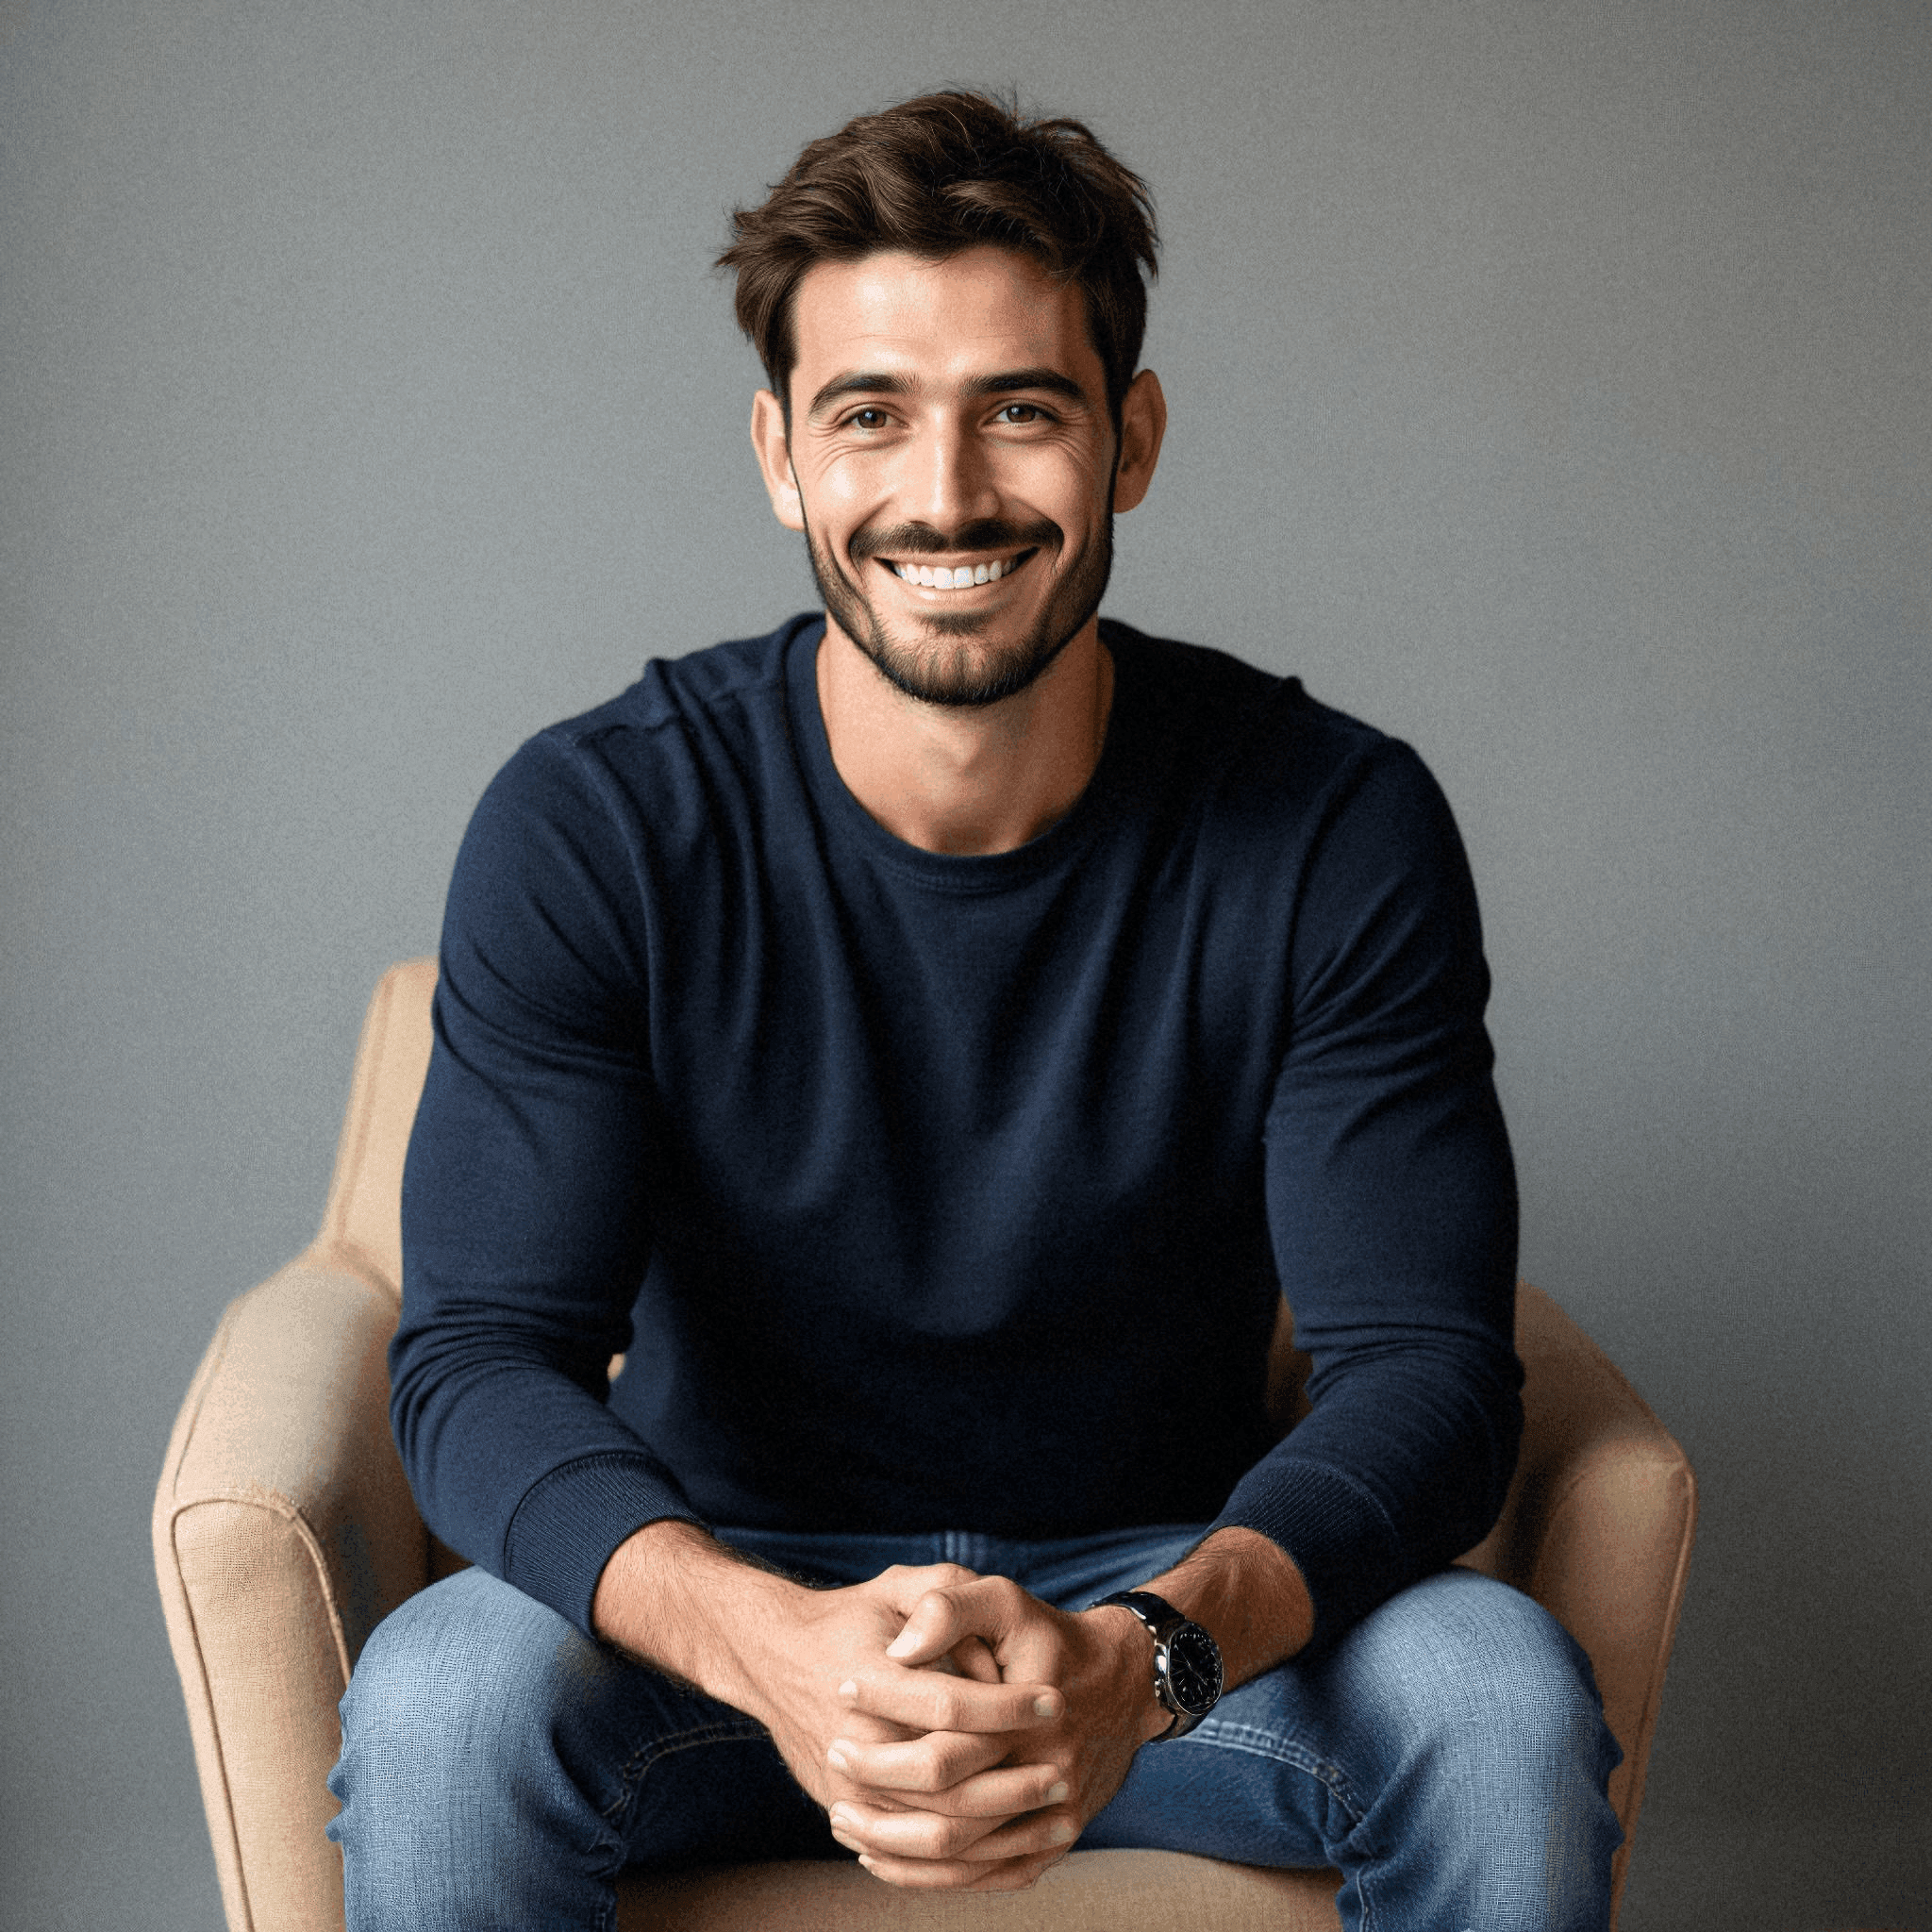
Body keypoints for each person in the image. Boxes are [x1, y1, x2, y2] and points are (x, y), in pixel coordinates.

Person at [327, 90, 1622, 1930]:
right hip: (729, 1607)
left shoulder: (1332, 822)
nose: (944, 493)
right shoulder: (597, 821)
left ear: (1131, 438)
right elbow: (475, 1363)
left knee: (1492, 1692)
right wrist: (767, 1641)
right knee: (448, 1694)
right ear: (779, 452)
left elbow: (1426, 1368)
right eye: (871, 413)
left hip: (1159, 1599)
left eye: (1020, 408)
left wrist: (1150, 1650)